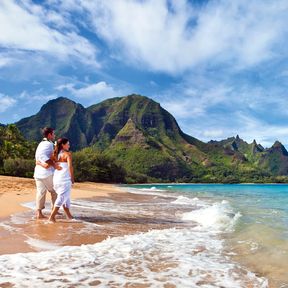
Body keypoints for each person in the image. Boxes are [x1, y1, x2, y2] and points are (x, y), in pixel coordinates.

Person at [34, 127, 60, 219]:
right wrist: (53, 165)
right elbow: (45, 157)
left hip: (37, 173)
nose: (54, 135)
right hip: (46, 173)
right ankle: (54, 210)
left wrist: (40, 163)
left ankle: (39, 213)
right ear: (49, 135)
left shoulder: (40, 144)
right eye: (53, 134)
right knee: (55, 191)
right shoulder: (48, 144)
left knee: (40, 192)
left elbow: (38, 158)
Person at [49, 137, 74, 222]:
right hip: (64, 179)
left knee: (66, 197)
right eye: (68, 144)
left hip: (56, 179)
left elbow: (48, 161)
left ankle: (69, 216)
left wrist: (55, 165)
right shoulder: (67, 154)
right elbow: (70, 167)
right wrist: (72, 178)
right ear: (63, 145)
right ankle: (52, 216)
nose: (69, 146)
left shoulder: (55, 154)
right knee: (62, 197)